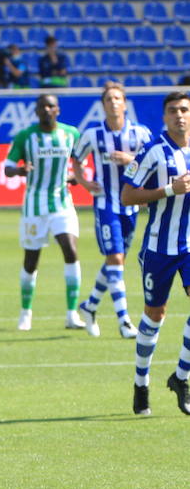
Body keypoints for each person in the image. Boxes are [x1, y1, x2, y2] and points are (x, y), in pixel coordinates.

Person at [120, 91, 190, 416]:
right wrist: (167, 190)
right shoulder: (153, 152)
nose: (179, 115)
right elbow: (127, 195)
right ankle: (140, 382)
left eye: (185, 110)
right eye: (173, 110)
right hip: (159, 249)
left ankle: (180, 377)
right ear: (164, 116)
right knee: (154, 316)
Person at [4, 92, 99, 331]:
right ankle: (26, 313)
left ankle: (71, 314)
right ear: (36, 111)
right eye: (42, 106)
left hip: (62, 203)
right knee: (31, 260)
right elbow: (7, 168)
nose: (47, 110)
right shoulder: (26, 137)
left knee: (70, 249)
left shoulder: (71, 134)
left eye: (51, 106)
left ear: (58, 110)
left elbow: (80, 167)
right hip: (34, 206)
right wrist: (20, 171)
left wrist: (74, 178)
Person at [74, 82, 153, 339]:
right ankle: (124, 321)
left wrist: (132, 161)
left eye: (118, 98)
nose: (114, 103)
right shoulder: (92, 134)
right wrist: (85, 182)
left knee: (114, 261)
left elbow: (153, 162)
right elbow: (76, 158)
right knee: (116, 259)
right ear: (103, 105)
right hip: (106, 204)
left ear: (125, 103)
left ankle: (89, 306)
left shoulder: (140, 134)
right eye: (109, 99)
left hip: (131, 207)